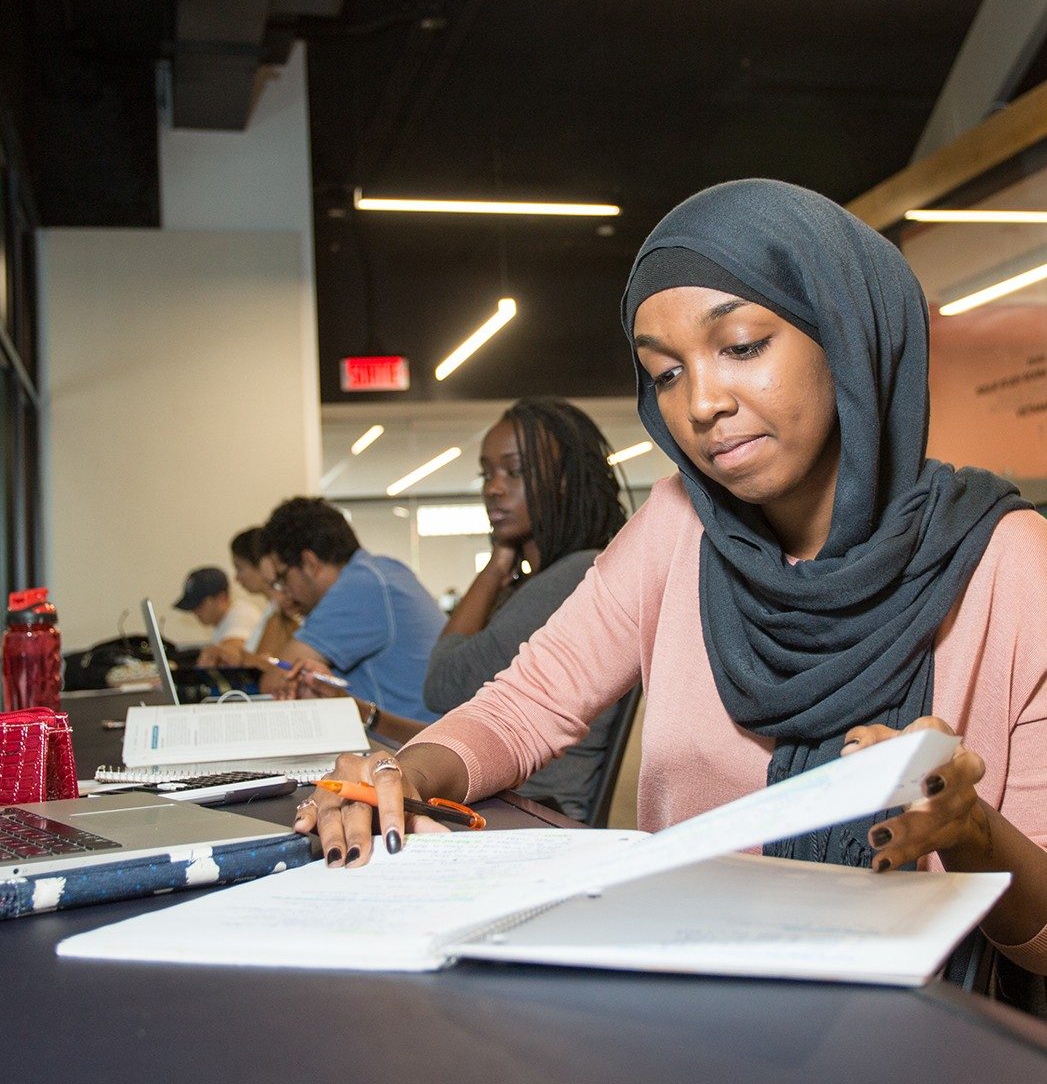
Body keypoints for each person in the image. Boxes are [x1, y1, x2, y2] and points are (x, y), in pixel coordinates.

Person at [295, 179, 1046, 980]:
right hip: (684, 1002)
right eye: (663, 373)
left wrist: (968, 830)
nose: (701, 402)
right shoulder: (675, 528)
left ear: (845, 334)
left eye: (742, 345)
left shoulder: (1007, 561)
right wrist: (398, 773)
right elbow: (527, 706)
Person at [422, 397, 630, 820]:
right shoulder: (537, 580)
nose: (493, 488)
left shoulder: (575, 574)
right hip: (505, 800)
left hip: (535, 813)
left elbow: (442, 684)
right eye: (487, 473)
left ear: (565, 482)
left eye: (516, 471)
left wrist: (497, 561)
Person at [259, 497, 443, 722]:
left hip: (405, 747)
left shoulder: (361, 587)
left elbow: (275, 683)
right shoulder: (382, 571)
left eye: (282, 577)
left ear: (310, 563)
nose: (284, 591)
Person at [195, 527, 298, 671]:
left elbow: (268, 671)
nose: (237, 578)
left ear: (263, 563)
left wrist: (239, 657)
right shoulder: (271, 611)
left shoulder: (284, 612)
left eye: (240, 568)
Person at [173, 566, 260, 666]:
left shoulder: (243, 616)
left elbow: (235, 648)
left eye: (199, 605)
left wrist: (215, 653)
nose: (194, 611)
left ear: (221, 598)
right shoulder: (223, 621)